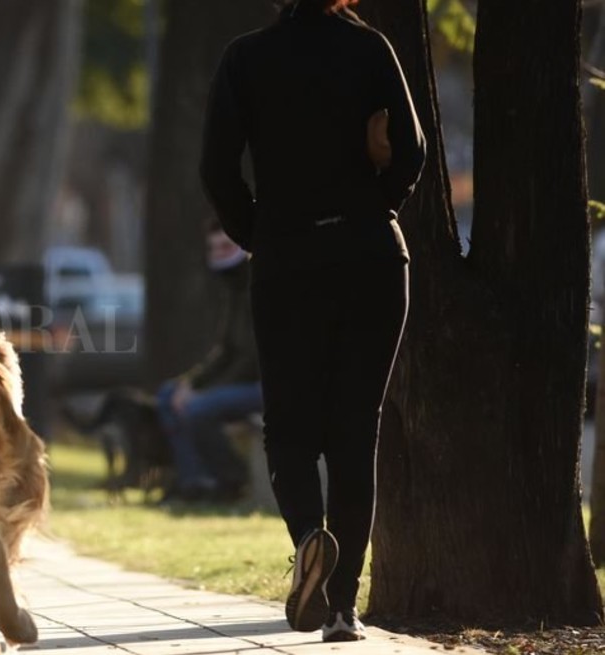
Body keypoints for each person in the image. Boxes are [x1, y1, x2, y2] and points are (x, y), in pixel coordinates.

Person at [200, 0, 425, 643]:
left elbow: (216, 169)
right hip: (374, 257)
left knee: (289, 429)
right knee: (358, 432)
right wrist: (377, 209)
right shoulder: (372, 46)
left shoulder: (245, 58)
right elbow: (412, 148)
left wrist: (260, 234)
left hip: (288, 259)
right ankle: (344, 609)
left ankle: (309, 542)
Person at [154, 221, 262, 502]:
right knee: (168, 395)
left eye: (226, 247)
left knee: (197, 409)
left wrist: (200, 392)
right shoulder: (235, 291)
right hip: (241, 382)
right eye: (213, 249)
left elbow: (253, 358)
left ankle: (233, 479)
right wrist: (190, 383)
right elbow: (226, 351)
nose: (219, 255)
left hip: (265, 386)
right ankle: (194, 481)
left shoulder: (259, 284)